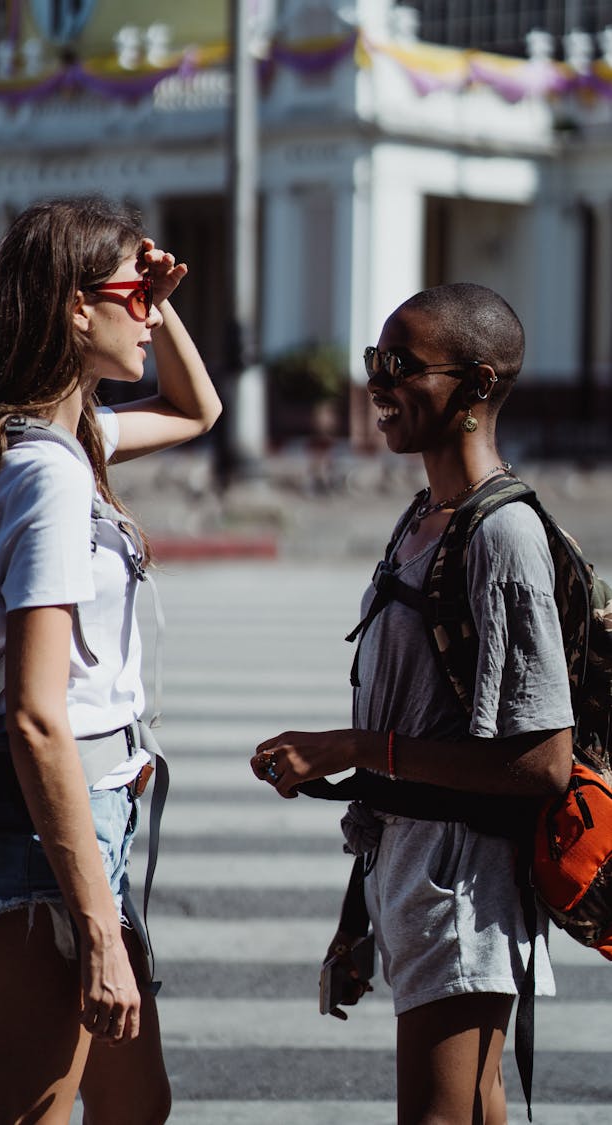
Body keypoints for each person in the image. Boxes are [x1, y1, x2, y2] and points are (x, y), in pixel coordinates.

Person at [0, 195, 221, 1125]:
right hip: (36, 834)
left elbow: (197, 409)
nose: (148, 314)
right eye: (133, 296)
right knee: (32, 1113)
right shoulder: (48, 473)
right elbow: (36, 712)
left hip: (82, 820)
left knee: (137, 1100)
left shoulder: (52, 441)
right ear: (70, 306)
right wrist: (97, 926)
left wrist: (159, 298)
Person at [251, 283, 574, 1125]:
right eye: (374, 362)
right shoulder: (422, 518)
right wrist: (357, 912)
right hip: (415, 873)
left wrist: (351, 747)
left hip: (467, 887)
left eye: (402, 366)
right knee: (473, 1108)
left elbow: (542, 761)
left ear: (475, 385)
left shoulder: (502, 536)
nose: (378, 384)